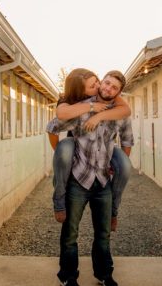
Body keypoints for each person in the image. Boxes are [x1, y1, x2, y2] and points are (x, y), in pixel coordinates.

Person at [45, 71, 134, 286]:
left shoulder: (120, 113)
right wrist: (60, 151)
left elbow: (127, 140)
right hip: (79, 178)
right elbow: (52, 127)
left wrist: (119, 162)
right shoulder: (82, 107)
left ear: (119, 93)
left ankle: (105, 274)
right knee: (70, 233)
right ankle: (68, 276)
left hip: (103, 180)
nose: (108, 89)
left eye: (114, 88)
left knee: (102, 234)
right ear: (101, 82)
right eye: (106, 83)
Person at [48, 68, 132, 232]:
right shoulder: (72, 101)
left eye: (98, 81)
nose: (101, 86)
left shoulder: (114, 100)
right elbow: (57, 119)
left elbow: (126, 112)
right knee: (64, 150)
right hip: (76, 144)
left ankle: (113, 212)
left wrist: (99, 115)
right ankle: (59, 198)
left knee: (125, 164)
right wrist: (57, 151)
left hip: (104, 154)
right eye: (94, 85)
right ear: (82, 92)